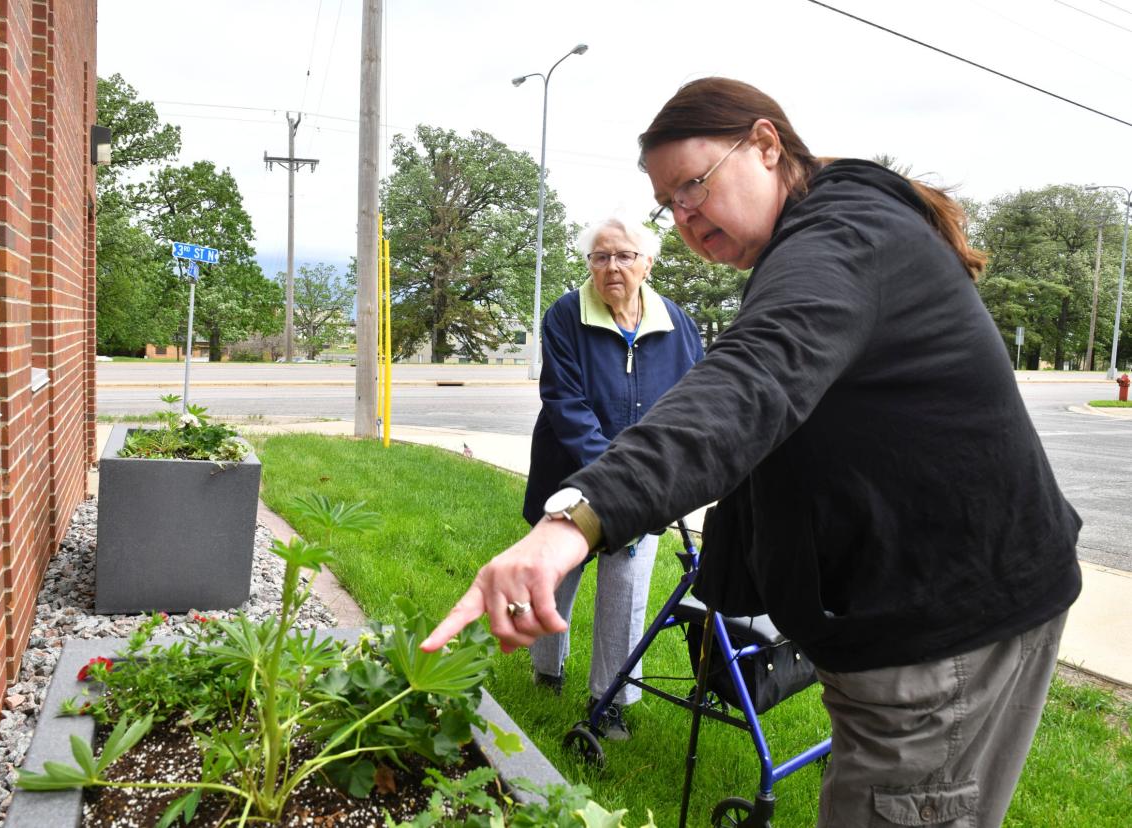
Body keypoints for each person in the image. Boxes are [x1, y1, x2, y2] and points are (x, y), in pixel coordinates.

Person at [424, 78, 1081, 827]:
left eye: (694, 185)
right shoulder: (821, 237)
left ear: (767, 145)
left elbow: (752, 380)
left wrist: (576, 517)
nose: (684, 215)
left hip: (945, 626)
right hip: (930, 598)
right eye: (668, 203)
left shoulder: (838, 240)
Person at [522, 214, 703, 739]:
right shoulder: (564, 316)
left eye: (624, 255)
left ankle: (612, 699)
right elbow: (566, 404)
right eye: (600, 257)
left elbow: (693, 399)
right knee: (558, 577)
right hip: (570, 477)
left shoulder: (675, 323)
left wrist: (652, 481)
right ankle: (546, 671)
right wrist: (611, 486)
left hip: (645, 483)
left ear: (648, 262)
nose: (611, 267)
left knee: (626, 589)